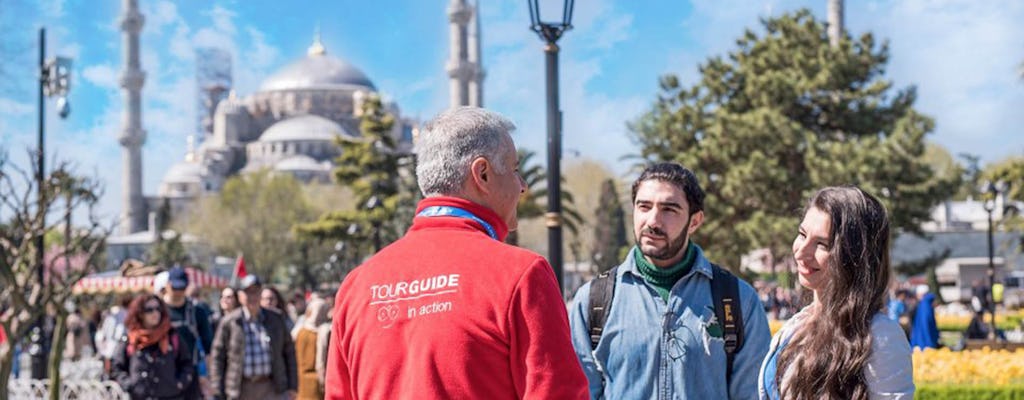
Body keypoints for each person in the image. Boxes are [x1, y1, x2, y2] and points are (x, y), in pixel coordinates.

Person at [324, 106, 588, 399]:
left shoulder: (357, 286)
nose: (522, 186)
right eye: (514, 170)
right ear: (483, 174)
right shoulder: (521, 275)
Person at [569, 162, 771, 399]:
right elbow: (580, 393)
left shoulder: (738, 300)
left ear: (694, 222)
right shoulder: (594, 301)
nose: (653, 221)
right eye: (643, 207)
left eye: (669, 210)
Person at [758, 186, 914, 399]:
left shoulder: (880, 337)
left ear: (855, 257)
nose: (802, 252)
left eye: (822, 244)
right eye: (802, 234)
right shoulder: (795, 326)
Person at [210, 274, 298, 400]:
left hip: (271, 387)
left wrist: (292, 386)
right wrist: (218, 390)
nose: (252, 297)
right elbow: (218, 357)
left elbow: (289, 352)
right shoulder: (230, 322)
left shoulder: (275, 319)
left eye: (255, 292)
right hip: (240, 389)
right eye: (247, 292)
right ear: (240, 296)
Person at [111, 294, 195, 400]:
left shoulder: (171, 335)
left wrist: (180, 383)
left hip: (170, 396)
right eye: (149, 310)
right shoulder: (130, 339)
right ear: (140, 313)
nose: (155, 313)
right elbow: (116, 367)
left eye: (158, 309)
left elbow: (186, 363)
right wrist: (129, 384)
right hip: (140, 396)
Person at [162, 266, 213, 398]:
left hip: (191, 371)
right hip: (164, 372)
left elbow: (208, 347)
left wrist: (208, 376)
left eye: (182, 288)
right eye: (175, 288)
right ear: (167, 285)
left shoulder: (197, 312)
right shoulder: (157, 311)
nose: (178, 292)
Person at [294, 298, 330, 400]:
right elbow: (321, 363)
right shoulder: (322, 333)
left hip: (300, 381)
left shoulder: (299, 332)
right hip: (317, 384)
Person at [909, 285, 940, 350]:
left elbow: (925, 323)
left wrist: (928, 341)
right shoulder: (927, 303)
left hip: (923, 341)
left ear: (921, 294)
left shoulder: (924, 304)